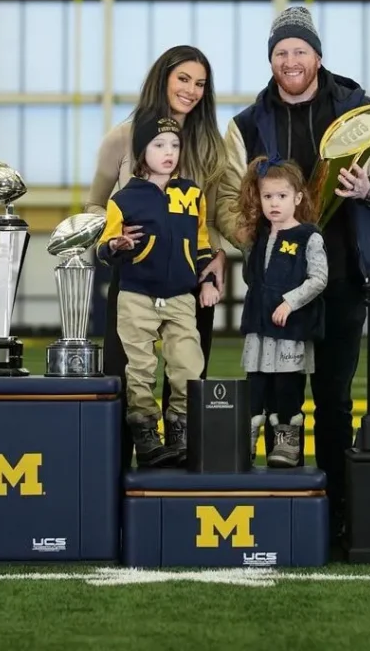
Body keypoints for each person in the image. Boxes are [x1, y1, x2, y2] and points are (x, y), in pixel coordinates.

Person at [216, 6, 370, 542]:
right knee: (276, 394)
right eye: (280, 52)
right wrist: (261, 246)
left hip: (345, 274)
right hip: (276, 289)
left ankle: (341, 515)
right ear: (271, 60)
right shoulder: (246, 124)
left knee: (334, 397)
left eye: (300, 50)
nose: (290, 60)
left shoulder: (360, 110)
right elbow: (228, 198)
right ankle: (279, 516)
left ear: (318, 56)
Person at [85, 46, 228, 468]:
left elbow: (212, 216)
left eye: (200, 83)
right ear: (162, 77)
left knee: (188, 372)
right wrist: (113, 234)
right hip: (135, 284)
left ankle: (181, 472)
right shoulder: (122, 138)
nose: (191, 90)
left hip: (188, 281)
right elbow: (94, 204)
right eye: (183, 78)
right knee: (128, 376)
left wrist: (215, 257)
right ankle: (117, 478)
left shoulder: (208, 145)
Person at [234, 154, 327, 469]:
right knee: (255, 387)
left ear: (297, 198)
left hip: (291, 330)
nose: (274, 203)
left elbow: (319, 279)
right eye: (267, 196)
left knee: (287, 388)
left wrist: (290, 302)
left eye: (282, 196)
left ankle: (286, 443)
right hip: (258, 327)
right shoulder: (259, 235)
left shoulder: (309, 236)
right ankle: (244, 441)